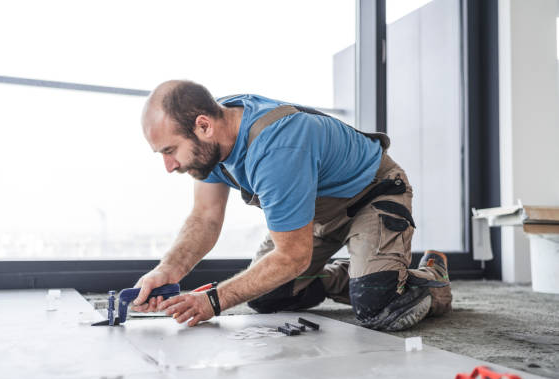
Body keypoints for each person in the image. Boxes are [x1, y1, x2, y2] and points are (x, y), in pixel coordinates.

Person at [132, 79, 452, 331]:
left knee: (379, 309)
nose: (169, 166)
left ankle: (429, 275)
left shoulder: (276, 147)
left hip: (372, 195)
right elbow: (205, 217)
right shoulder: (211, 139)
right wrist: (167, 271)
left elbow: (293, 256)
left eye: (170, 150)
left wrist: (213, 302)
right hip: (314, 210)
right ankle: (362, 273)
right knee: (267, 295)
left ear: (203, 125)